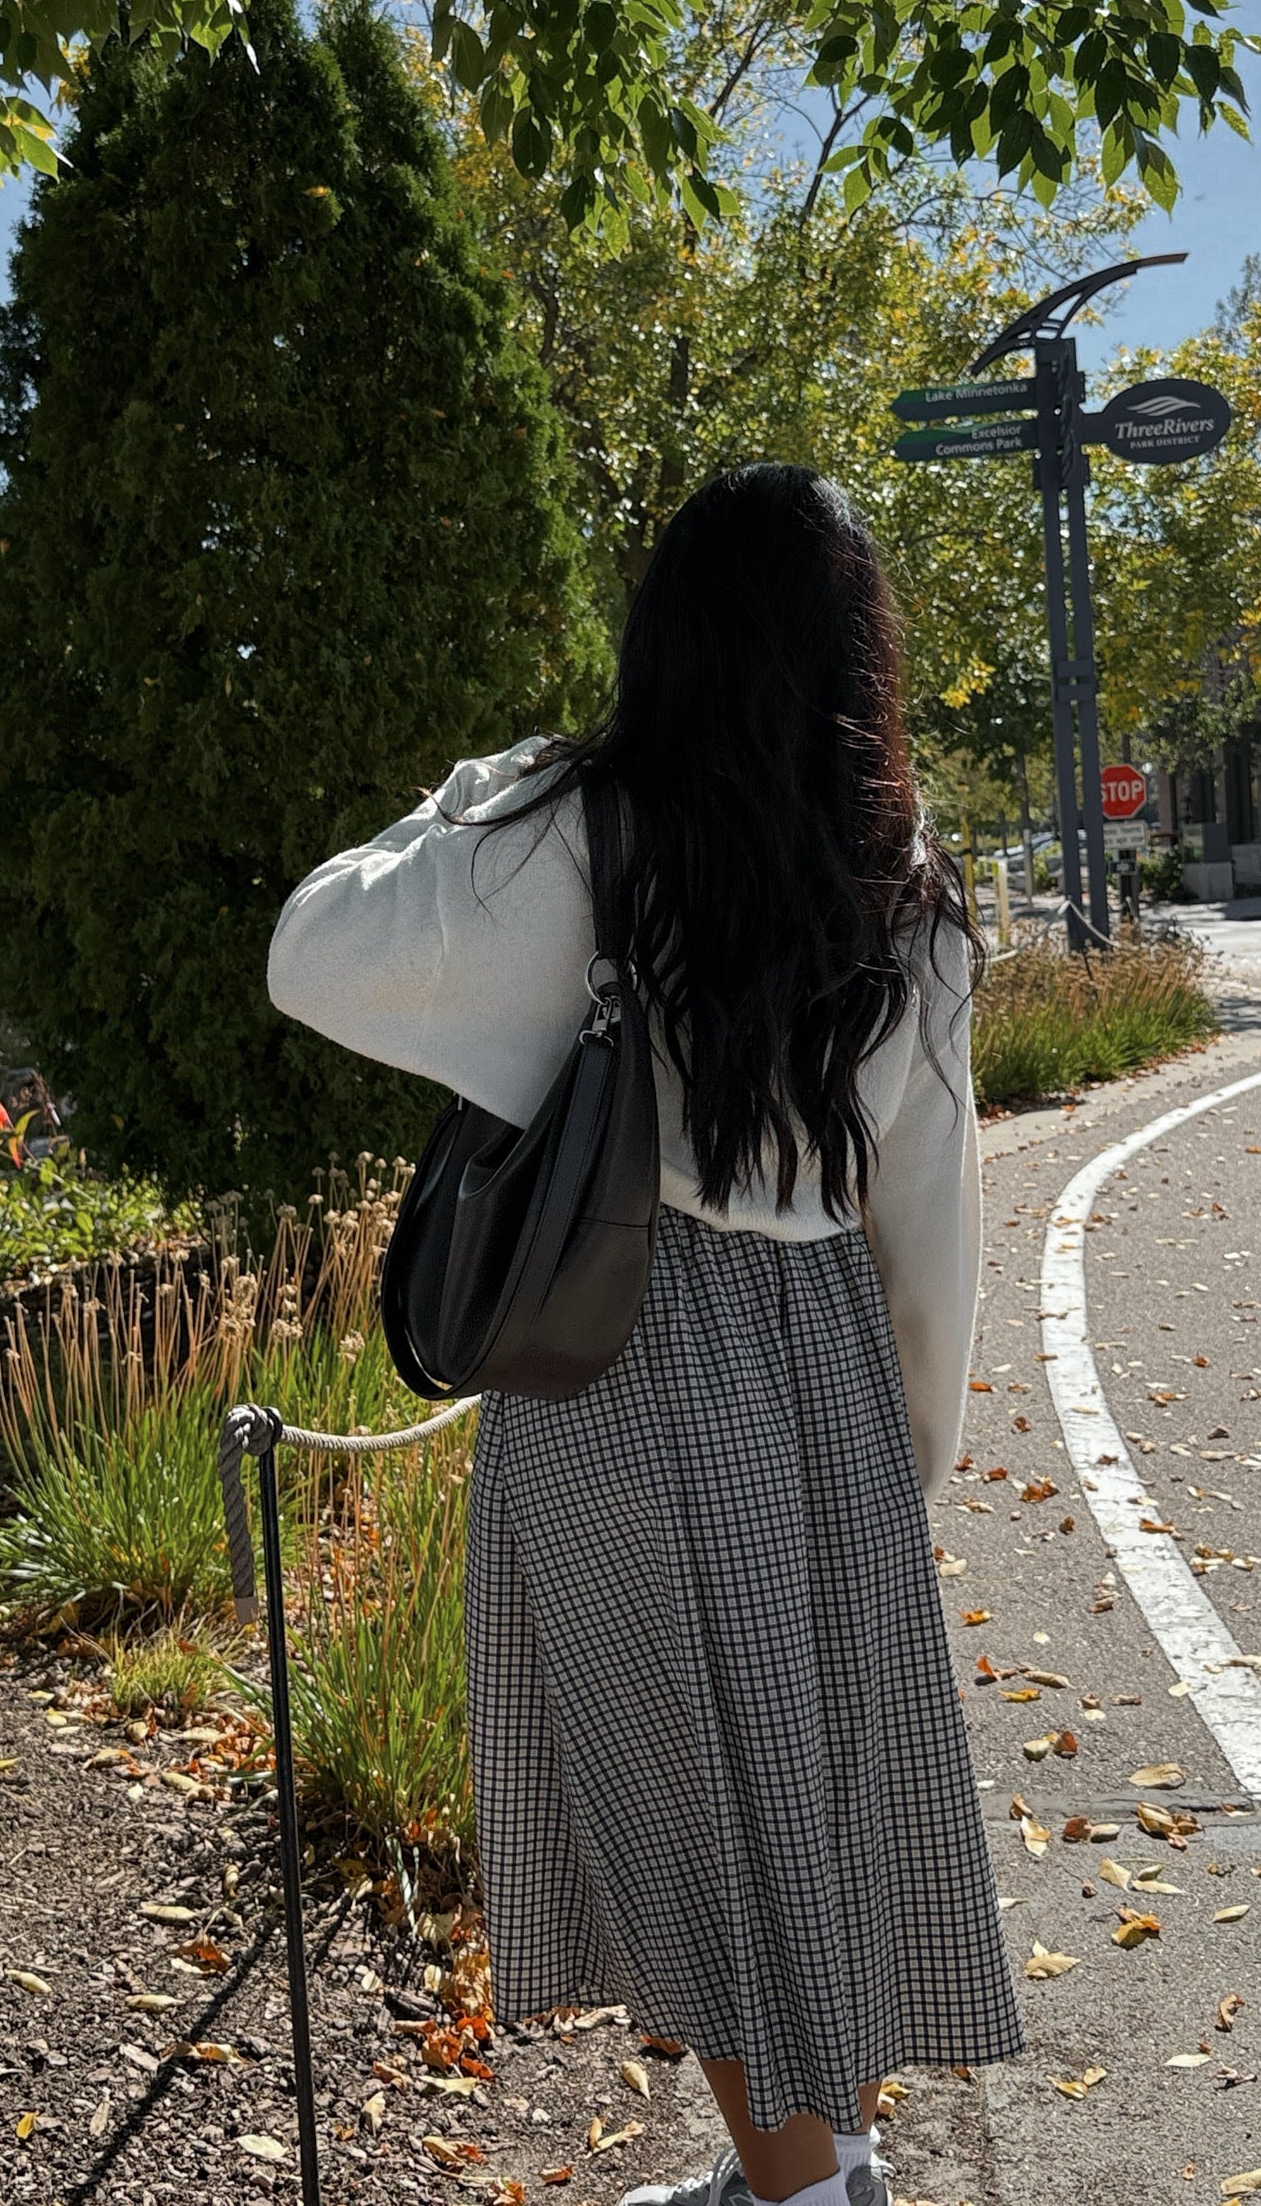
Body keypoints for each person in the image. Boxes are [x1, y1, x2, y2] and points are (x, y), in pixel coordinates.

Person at [266, 465, 1021, 2206]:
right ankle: (819, 2165)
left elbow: (313, 949)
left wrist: (481, 786)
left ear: (667, 634)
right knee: (808, 1787)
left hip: (617, 1353)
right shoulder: (910, 888)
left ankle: (808, 2193)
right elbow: (931, 1216)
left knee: (689, 1800)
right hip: (826, 1362)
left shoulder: (570, 838)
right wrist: (905, 1454)